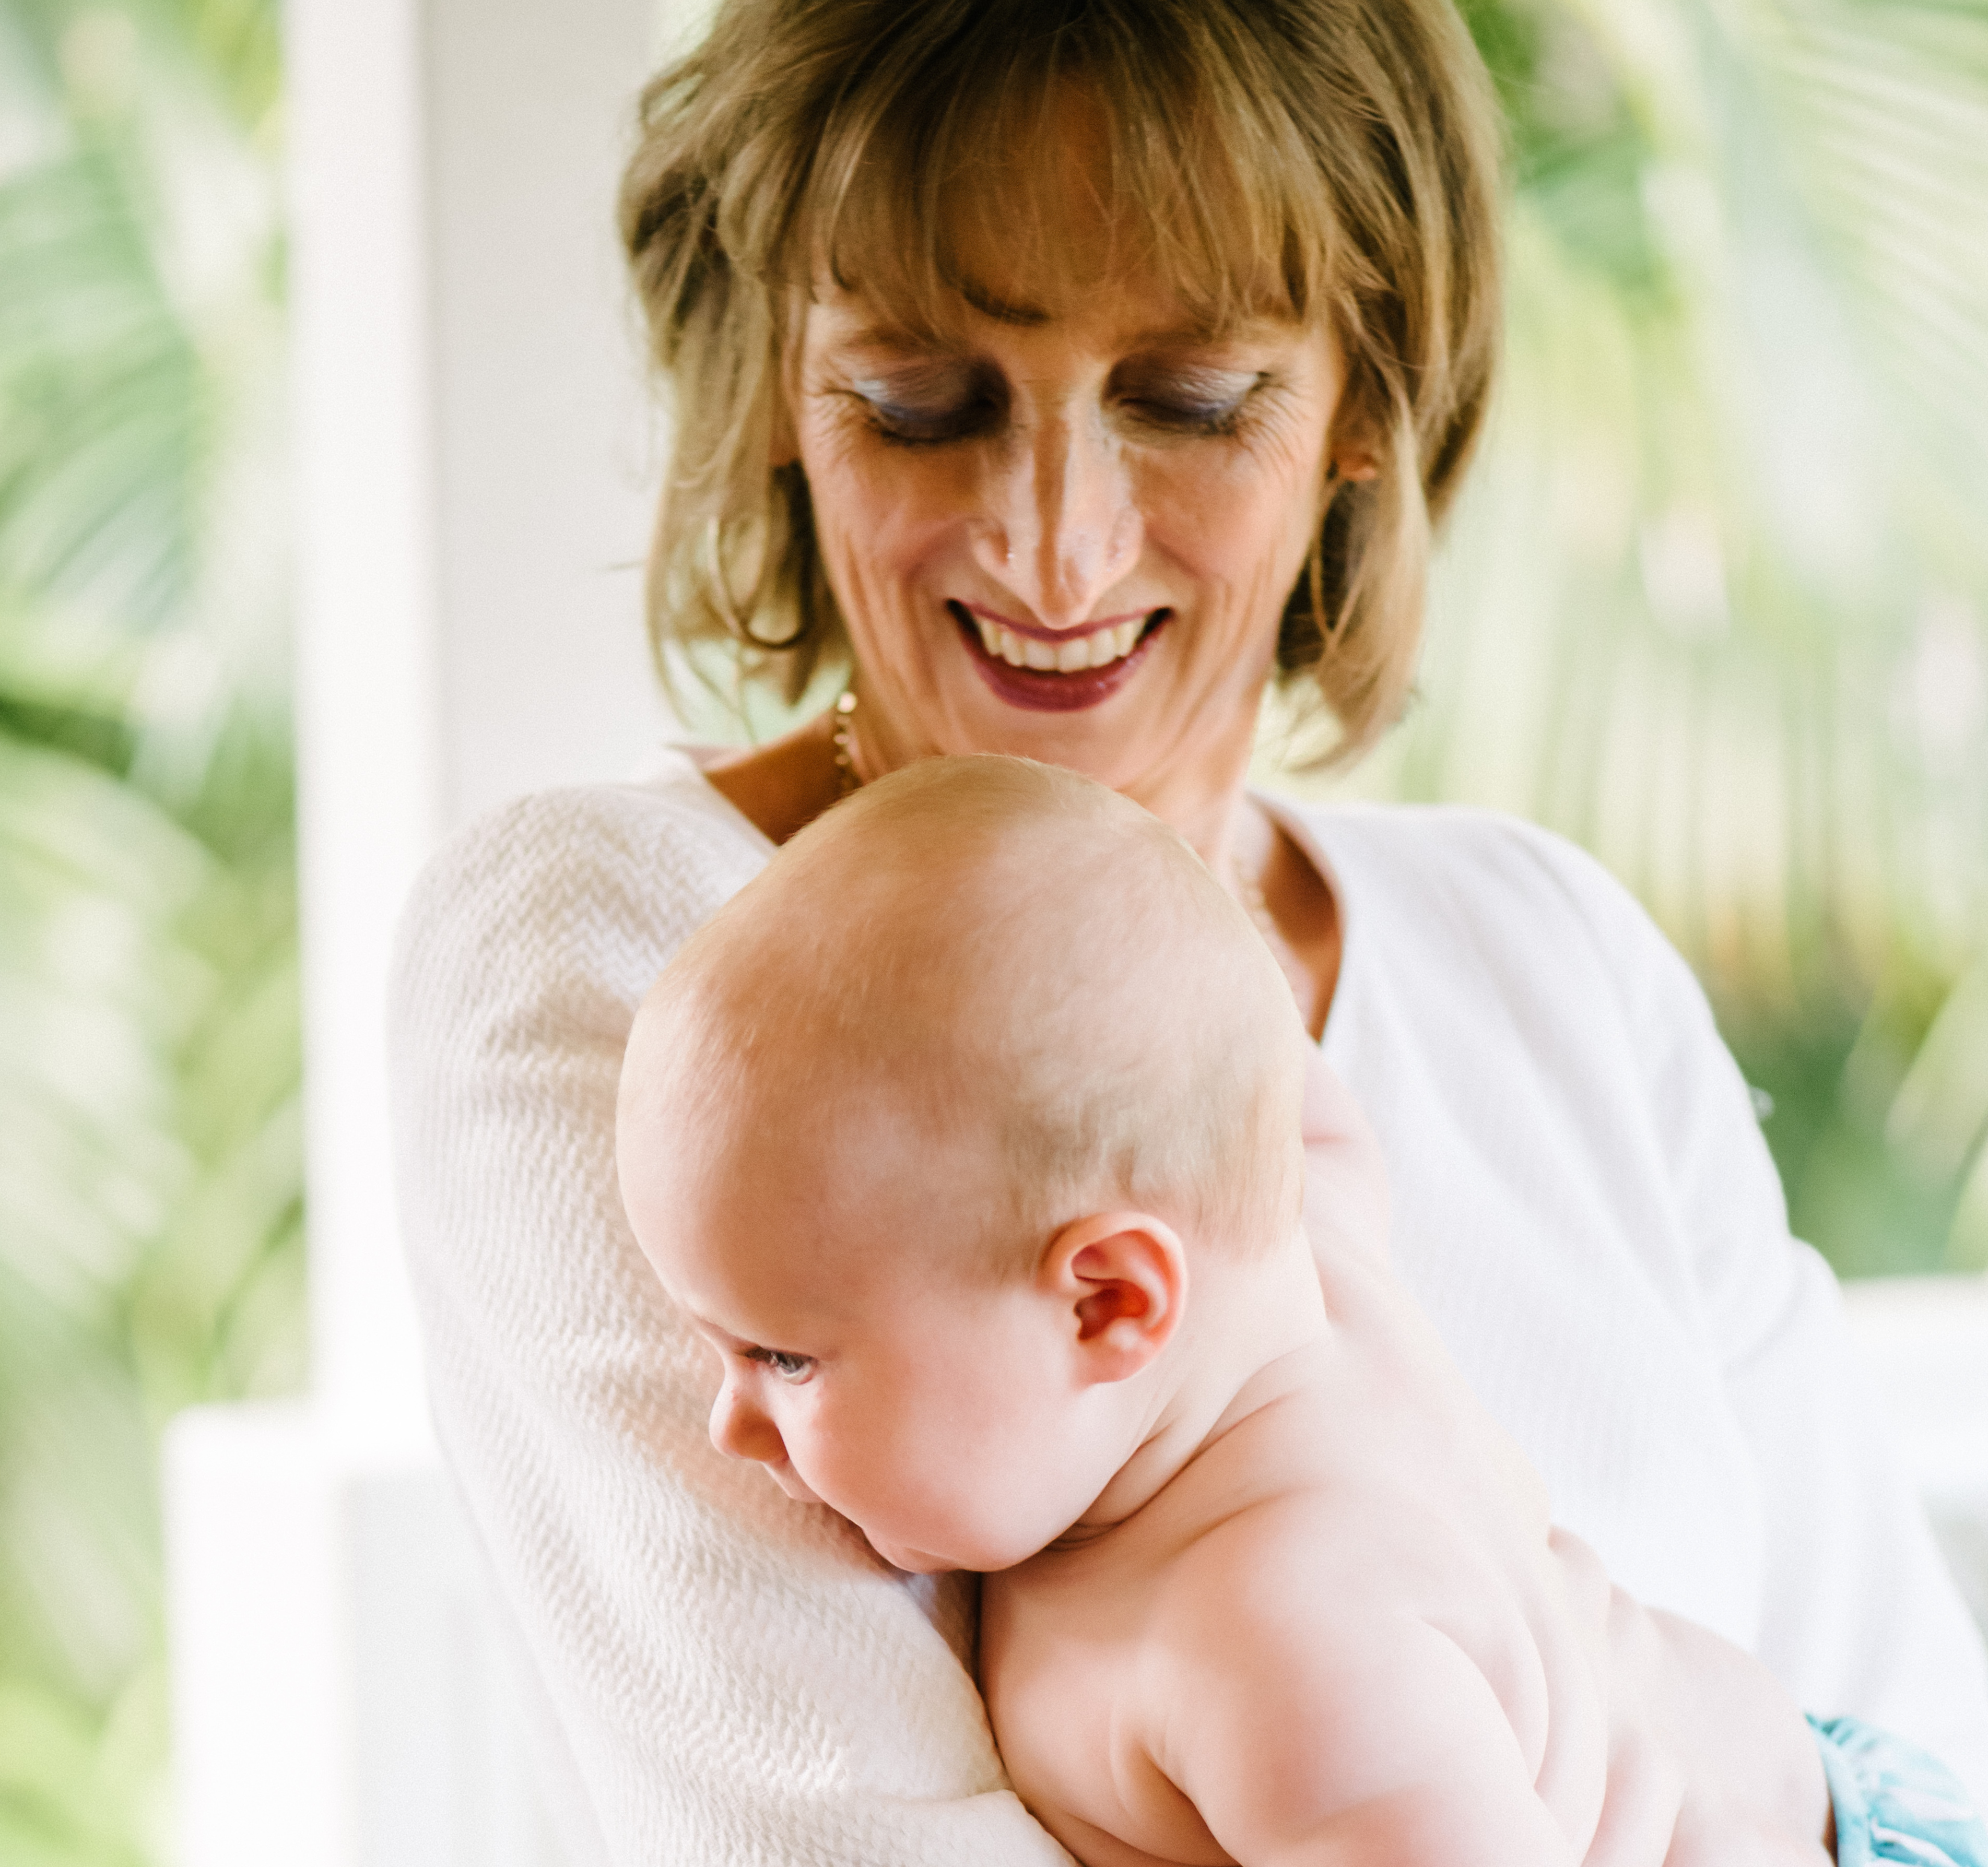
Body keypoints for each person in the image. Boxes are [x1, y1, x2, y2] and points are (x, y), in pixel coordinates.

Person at [388, 0, 1988, 1857]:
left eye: (1193, 399)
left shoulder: (1544, 957)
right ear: (769, 392)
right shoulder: (626, 956)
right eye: (924, 402)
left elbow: (1913, 1733)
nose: (1053, 549)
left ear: (1367, 406)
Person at [616, 752, 1988, 1867]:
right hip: (1805, 1766)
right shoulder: (1303, 1247)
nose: (728, 1423)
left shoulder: (1275, 1652)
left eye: (785, 1355)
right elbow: (1257, 1084)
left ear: (1108, 1302)